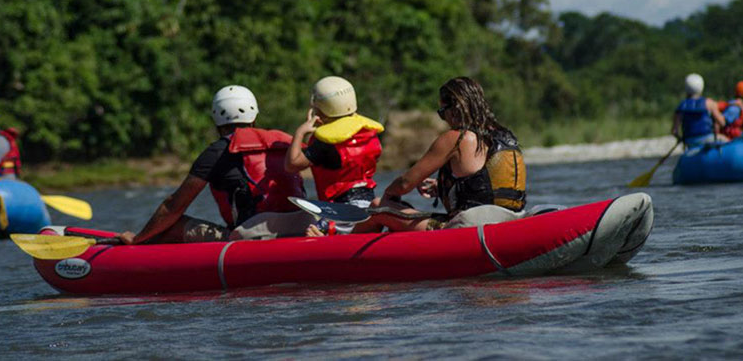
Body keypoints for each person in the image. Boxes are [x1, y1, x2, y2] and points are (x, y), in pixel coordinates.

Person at [118, 86, 307, 245]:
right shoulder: (283, 143)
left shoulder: (216, 153)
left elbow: (174, 206)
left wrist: (138, 238)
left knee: (170, 226)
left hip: (252, 237)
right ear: (254, 117)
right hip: (304, 226)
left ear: (216, 120)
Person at [352, 76, 527, 234]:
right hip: (509, 221)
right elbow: (486, 187)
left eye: (442, 113)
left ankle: (341, 253)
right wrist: (441, 188)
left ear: (454, 109)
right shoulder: (503, 136)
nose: (445, 120)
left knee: (377, 207)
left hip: (469, 228)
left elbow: (405, 183)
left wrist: (389, 194)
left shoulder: (457, 138)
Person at [284, 76, 384, 235]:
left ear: (318, 109)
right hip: (368, 202)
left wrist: (300, 132)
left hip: (340, 212)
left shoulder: (325, 142)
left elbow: (292, 164)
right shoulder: (368, 131)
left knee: (311, 231)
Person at [671, 73, 727, 147]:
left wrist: (681, 139)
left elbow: (674, 131)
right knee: (727, 140)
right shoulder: (709, 103)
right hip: (708, 139)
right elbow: (722, 123)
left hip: (690, 141)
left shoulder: (681, 106)